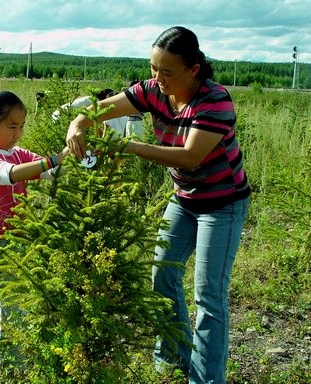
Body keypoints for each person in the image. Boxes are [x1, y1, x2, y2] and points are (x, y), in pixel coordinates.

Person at [65, 26, 250, 384]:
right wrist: (78, 123)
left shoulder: (215, 101)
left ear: (193, 70)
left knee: (209, 294)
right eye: (153, 68)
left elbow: (190, 156)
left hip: (222, 205)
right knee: (162, 273)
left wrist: (128, 147)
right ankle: (173, 354)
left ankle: (207, 378)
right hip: (184, 200)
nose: (157, 78)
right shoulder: (153, 91)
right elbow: (100, 108)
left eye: (167, 72)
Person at [0, 90, 69, 380]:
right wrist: (53, 159)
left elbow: (50, 172)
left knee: (13, 308)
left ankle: (13, 365)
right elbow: (10, 174)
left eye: (22, 126)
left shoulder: (19, 153)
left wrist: (74, 155)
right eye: (12, 127)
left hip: (14, 243)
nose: (18, 133)